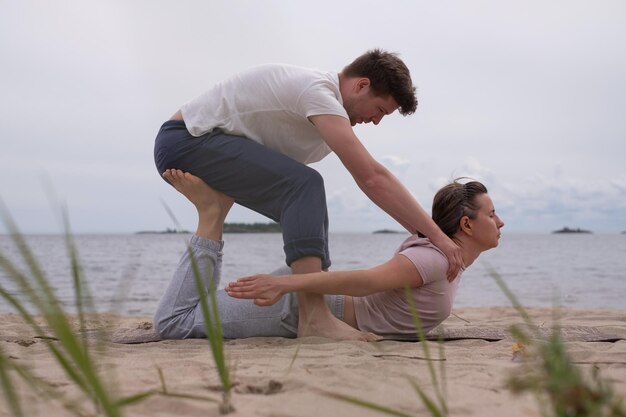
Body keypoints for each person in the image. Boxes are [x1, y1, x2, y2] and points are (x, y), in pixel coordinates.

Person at [153, 49, 463, 340]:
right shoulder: (319, 93)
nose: (376, 120)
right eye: (380, 109)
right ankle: (314, 317)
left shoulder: (326, 114)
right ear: (361, 85)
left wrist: (424, 236)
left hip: (209, 146)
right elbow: (372, 178)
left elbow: (366, 186)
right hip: (186, 142)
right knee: (305, 186)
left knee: (305, 202)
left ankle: (215, 211)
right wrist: (436, 236)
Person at [154, 170, 504, 341]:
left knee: (194, 311)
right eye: (491, 214)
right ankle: (211, 215)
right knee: (174, 323)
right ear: (466, 225)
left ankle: (212, 215)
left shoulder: (447, 260)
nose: (500, 221)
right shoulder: (435, 259)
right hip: (296, 309)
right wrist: (285, 283)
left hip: (308, 300)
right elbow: (366, 281)